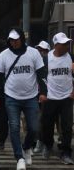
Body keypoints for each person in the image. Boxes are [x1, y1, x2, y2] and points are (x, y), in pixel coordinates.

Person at [0, 27, 47, 170]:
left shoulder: (33, 53)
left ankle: (27, 147)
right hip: (11, 97)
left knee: (34, 128)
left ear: (22, 39)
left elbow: (41, 73)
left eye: (16, 40)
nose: (14, 42)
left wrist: (44, 92)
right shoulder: (3, 55)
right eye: (11, 40)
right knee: (15, 127)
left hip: (31, 97)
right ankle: (20, 157)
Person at [41, 32, 74, 164]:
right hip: (50, 97)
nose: (67, 45)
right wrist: (42, 93)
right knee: (47, 124)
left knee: (67, 127)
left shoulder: (71, 57)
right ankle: (48, 145)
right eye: (64, 43)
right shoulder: (47, 59)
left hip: (67, 97)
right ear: (56, 45)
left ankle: (66, 152)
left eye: (67, 43)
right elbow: (42, 77)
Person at [33, 40, 50, 153]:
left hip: (49, 95)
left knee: (44, 119)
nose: (40, 52)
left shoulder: (50, 62)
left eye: (42, 50)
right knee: (36, 119)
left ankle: (43, 142)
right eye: (39, 50)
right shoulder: (34, 61)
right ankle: (37, 141)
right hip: (35, 94)